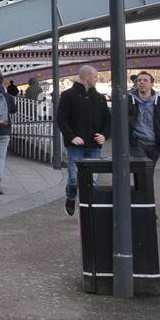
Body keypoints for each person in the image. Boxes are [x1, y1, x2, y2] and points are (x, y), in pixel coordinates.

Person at [56, 65, 110, 216]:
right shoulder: (67, 96)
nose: (96, 79)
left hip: (94, 145)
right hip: (75, 146)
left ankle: (90, 206)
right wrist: (72, 136)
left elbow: (108, 120)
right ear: (86, 76)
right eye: (95, 77)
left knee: (93, 179)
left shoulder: (99, 98)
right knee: (74, 177)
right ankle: (71, 197)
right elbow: (61, 119)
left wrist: (104, 135)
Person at [128, 71, 160, 168]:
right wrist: (130, 140)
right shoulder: (128, 101)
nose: (141, 82)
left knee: (149, 173)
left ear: (151, 84)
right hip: (137, 143)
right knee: (141, 170)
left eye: (145, 80)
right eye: (139, 80)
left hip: (155, 145)